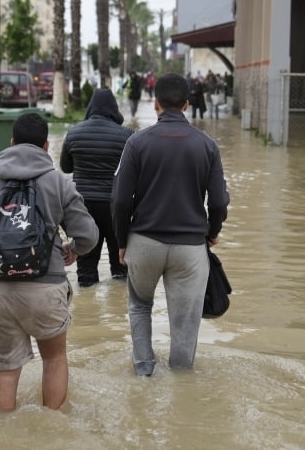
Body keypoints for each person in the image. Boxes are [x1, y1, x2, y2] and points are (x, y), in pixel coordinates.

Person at [0, 113, 99, 411]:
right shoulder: (58, 182)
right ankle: (51, 433)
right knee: (54, 359)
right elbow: (89, 235)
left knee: (6, 371)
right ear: (46, 146)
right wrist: (74, 249)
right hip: (46, 286)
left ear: (11, 143)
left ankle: (3, 438)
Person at [111, 73, 230, 377]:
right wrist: (212, 233)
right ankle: (181, 380)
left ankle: (144, 372)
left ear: (156, 104)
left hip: (144, 242)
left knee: (139, 306)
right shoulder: (207, 145)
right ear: (188, 104)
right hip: (190, 248)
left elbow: (121, 200)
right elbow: (218, 201)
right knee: (185, 320)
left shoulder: (136, 143)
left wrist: (122, 241)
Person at [61, 88, 134, 287]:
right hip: (115, 207)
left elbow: (65, 167)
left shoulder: (74, 133)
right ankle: (118, 310)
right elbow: (134, 174)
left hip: (83, 207)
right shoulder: (127, 136)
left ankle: (86, 310)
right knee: (120, 265)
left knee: (85, 267)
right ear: (114, 108)